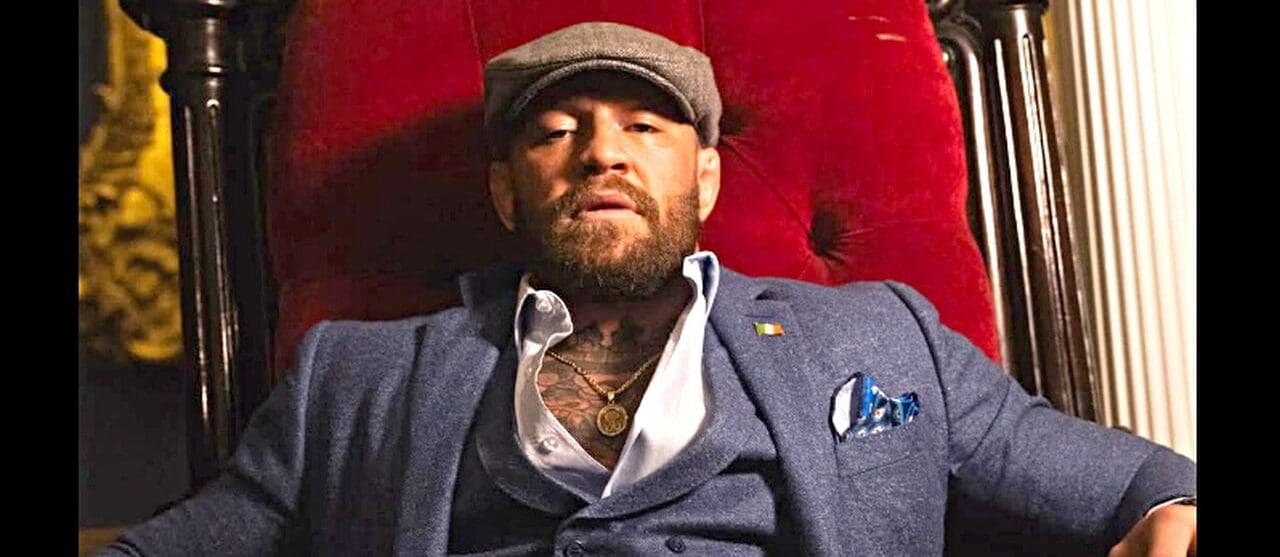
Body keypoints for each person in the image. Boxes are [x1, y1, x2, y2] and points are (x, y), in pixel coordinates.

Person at [101, 22, 1195, 556]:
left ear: (704, 177)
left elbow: (1130, 480)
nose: (602, 152)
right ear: (505, 187)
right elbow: (193, 539)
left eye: (643, 126)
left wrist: (1168, 512)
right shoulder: (357, 374)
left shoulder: (881, 336)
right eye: (555, 130)